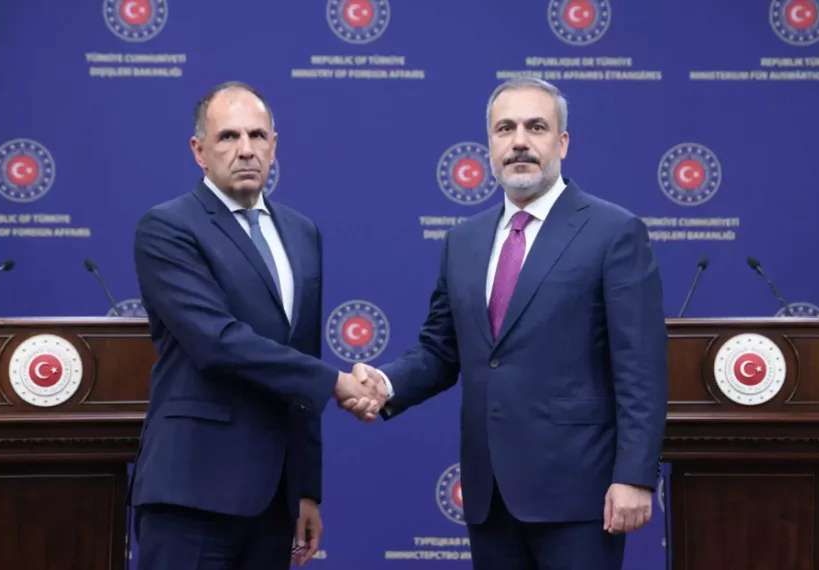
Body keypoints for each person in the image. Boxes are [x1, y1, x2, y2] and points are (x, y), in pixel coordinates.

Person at [345, 78, 668, 570]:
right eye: (505, 129)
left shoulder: (614, 232)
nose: (519, 141)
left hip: (581, 495)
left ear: (562, 142)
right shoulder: (462, 242)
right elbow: (440, 350)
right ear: (490, 145)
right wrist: (386, 384)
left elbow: (640, 366)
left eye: (536, 127)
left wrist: (635, 475)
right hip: (490, 495)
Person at [130, 80, 381, 570]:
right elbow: (217, 342)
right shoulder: (168, 227)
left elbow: (302, 358)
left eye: (257, 135)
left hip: (273, 503)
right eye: (228, 137)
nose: (245, 149)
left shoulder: (302, 233)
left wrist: (306, 489)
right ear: (199, 151)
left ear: (274, 145)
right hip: (192, 494)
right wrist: (336, 382)